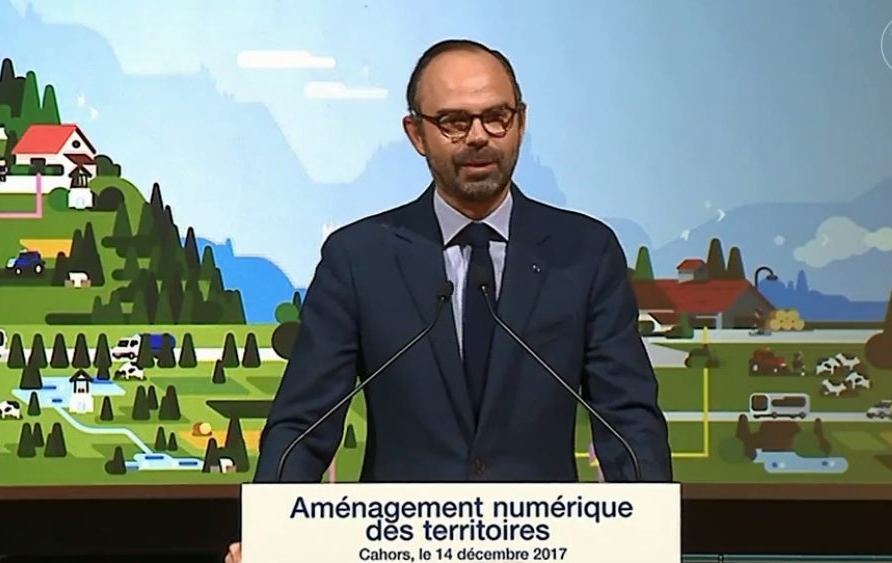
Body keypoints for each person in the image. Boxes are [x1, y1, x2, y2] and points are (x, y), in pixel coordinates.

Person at [225, 38, 671, 563]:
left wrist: (649, 541)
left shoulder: (585, 252)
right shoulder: (359, 257)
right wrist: (273, 537)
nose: (479, 136)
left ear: (521, 122)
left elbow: (627, 417)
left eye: (496, 117)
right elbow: (305, 423)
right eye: (455, 122)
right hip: (394, 549)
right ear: (416, 134)